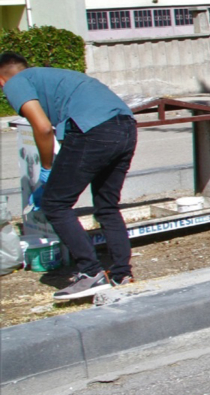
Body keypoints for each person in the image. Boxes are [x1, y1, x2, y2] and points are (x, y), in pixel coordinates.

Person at [0, 53, 138, 300]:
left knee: (55, 203)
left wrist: (46, 169)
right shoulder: (52, 76)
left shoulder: (15, 82)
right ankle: (122, 273)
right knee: (107, 206)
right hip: (125, 127)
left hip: (93, 130)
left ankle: (91, 272)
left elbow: (42, 128)